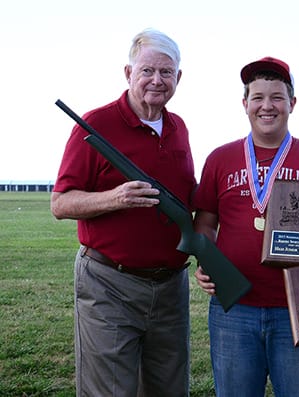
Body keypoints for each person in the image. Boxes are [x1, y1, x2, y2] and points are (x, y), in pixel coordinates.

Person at [51, 28, 195, 396]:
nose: (156, 80)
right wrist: (115, 198)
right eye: (147, 71)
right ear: (129, 73)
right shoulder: (96, 125)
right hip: (109, 284)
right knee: (109, 390)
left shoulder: (179, 129)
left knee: (170, 388)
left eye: (166, 72)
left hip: (170, 288)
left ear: (178, 78)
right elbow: (61, 202)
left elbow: (188, 196)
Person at [192, 56, 299, 397]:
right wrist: (207, 260)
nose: (267, 106)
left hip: (298, 309)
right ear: (245, 104)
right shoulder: (220, 158)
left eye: (276, 97)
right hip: (234, 309)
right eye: (257, 97)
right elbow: (205, 221)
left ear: (292, 103)